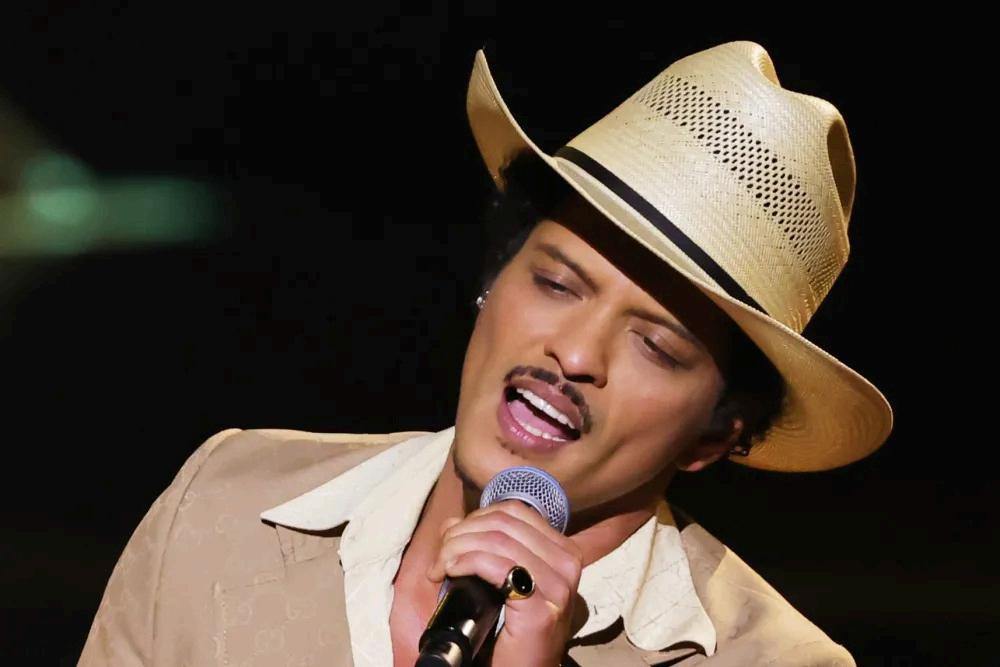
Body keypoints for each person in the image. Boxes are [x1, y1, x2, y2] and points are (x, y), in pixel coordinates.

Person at [78, 40, 894, 666]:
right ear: (494, 280)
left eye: (655, 344)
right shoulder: (226, 501)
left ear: (716, 433)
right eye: (557, 283)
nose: (574, 351)